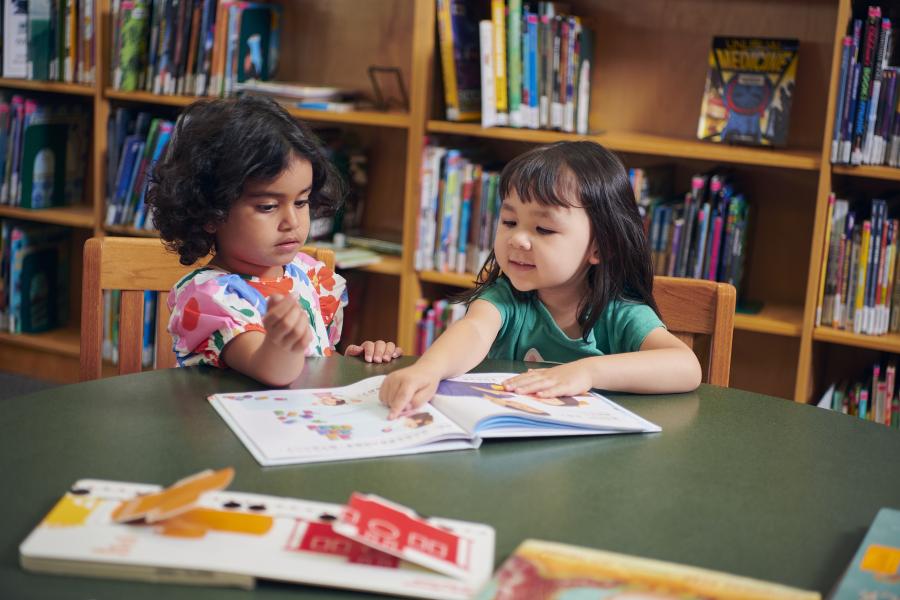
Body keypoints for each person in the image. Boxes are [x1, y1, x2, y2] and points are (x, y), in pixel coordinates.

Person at [380, 141, 701, 418]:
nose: (517, 240)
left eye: (543, 229)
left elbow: (686, 366)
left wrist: (587, 371)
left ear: (600, 247)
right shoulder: (506, 299)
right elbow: (474, 330)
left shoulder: (619, 314)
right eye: (509, 221)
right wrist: (428, 369)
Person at [147, 95, 401, 387]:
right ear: (211, 213)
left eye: (302, 201)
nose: (292, 221)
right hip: (235, 429)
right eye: (268, 206)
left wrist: (350, 360)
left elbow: (317, 363)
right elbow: (271, 370)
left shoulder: (308, 273)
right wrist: (284, 341)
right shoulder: (208, 297)